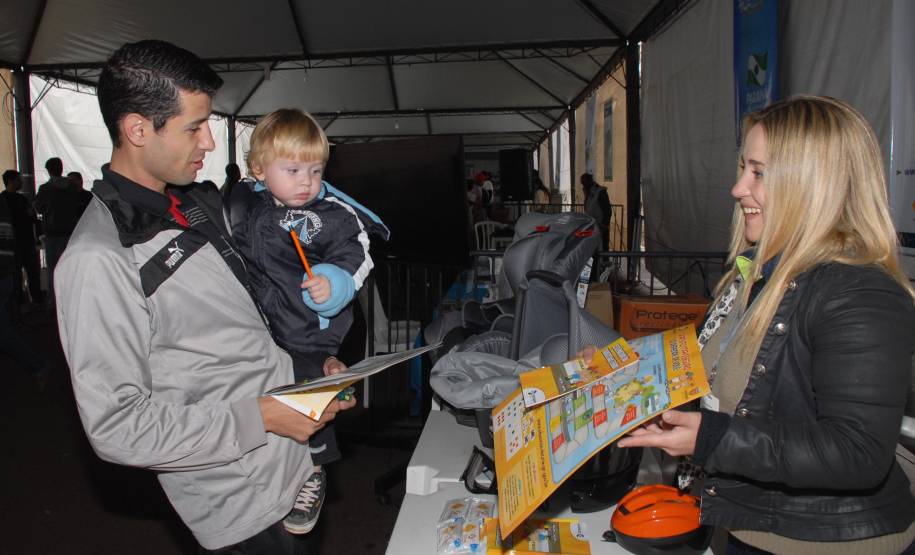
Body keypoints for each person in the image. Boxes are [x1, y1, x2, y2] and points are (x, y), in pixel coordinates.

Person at [54, 39, 355, 554]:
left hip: (286, 456)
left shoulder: (189, 206)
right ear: (138, 130)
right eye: (194, 127)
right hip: (239, 494)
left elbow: (235, 323)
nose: (210, 143)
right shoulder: (96, 258)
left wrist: (305, 364)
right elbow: (117, 425)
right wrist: (262, 415)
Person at [617, 96, 915, 553]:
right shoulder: (759, 273)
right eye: (743, 169)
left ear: (812, 183)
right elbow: (703, 369)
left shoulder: (858, 293)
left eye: (758, 172)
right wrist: (618, 367)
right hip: (747, 526)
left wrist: (712, 438)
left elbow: (856, 453)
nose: (738, 188)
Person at [227, 108, 389, 535]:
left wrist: (333, 285)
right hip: (261, 329)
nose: (306, 181)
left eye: (315, 170)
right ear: (260, 170)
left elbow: (358, 256)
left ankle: (314, 469)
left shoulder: (333, 214)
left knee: (308, 387)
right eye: (293, 169)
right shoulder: (250, 206)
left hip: (308, 332)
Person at [0, 190, 50, 388]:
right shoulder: (8, 201)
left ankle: (38, 366)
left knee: (4, 333)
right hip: (6, 270)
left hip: (3, 272)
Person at [35, 162, 92, 304]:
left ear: (48, 171)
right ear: (61, 168)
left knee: (53, 271)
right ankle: (74, 301)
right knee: (74, 269)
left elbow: (37, 207)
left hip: (53, 234)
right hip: (72, 234)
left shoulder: (46, 189)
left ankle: (53, 303)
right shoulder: (72, 188)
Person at [1, 169, 43, 304]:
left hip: (27, 241)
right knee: (15, 274)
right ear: (10, 181)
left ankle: (35, 299)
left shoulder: (22, 198)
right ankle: (18, 301)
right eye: (18, 180)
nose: (21, 182)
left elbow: (33, 216)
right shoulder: (3, 200)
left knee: (33, 272)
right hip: (13, 244)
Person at [580, 172, 610, 251]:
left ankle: (603, 262)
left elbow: (607, 211)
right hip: (593, 227)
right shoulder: (589, 193)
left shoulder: (600, 192)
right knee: (595, 251)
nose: (583, 186)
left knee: (602, 250)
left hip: (600, 226)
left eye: (584, 183)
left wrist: (604, 225)